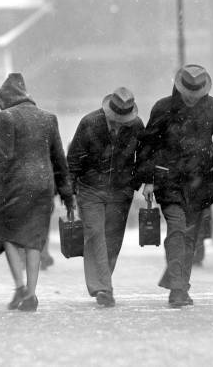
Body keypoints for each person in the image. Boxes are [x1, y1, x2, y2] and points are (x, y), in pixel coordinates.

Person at [138, 64, 213, 308]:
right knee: (177, 230)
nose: (192, 96)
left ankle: (179, 283)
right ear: (181, 87)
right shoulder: (163, 107)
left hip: (200, 183)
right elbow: (147, 146)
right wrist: (148, 178)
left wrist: (209, 156)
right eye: (189, 91)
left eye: (197, 92)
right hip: (168, 180)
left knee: (190, 237)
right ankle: (178, 289)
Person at [0, 73, 75, 312]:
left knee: (9, 235)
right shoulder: (48, 118)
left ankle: (20, 286)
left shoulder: (6, 117)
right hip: (44, 186)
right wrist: (67, 193)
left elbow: (3, 157)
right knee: (34, 239)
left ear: (6, 98)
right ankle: (31, 294)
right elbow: (59, 159)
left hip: (16, 185)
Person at [67, 87, 144, 307]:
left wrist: (135, 183)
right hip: (90, 188)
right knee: (95, 234)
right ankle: (104, 287)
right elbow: (73, 159)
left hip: (121, 190)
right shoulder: (89, 123)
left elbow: (145, 155)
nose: (119, 123)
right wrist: (69, 192)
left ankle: (102, 280)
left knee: (113, 239)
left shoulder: (136, 126)